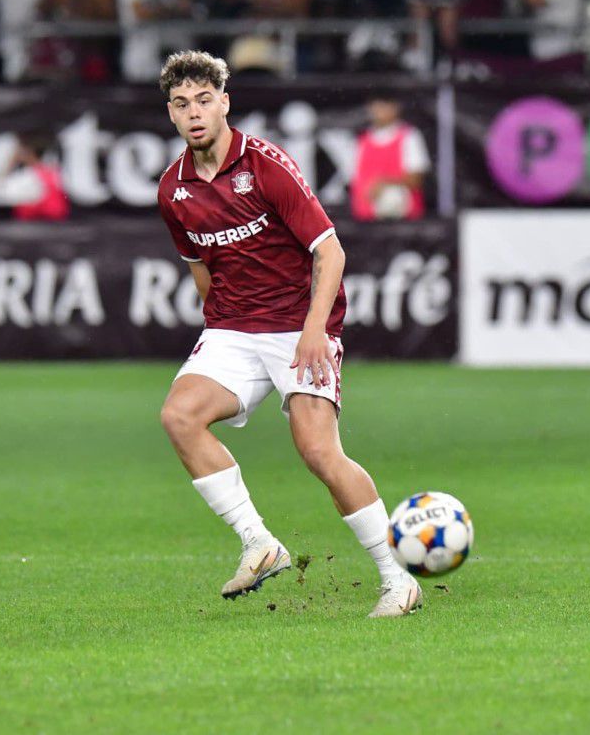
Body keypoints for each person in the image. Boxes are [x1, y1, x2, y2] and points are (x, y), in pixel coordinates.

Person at [154, 51, 421, 618]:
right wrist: (218, 327)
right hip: (234, 327)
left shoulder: (266, 165)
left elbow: (331, 251)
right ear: (171, 114)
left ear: (225, 104)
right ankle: (259, 543)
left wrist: (315, 330)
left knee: (319, 451)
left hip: (300, 325)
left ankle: (397, 577)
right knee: (179, 416)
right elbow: (201, 270)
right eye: (181, 104)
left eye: (204, 100)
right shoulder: (173, 190)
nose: (194, 112)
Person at [350, 96, 430, 221]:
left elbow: (416, 180)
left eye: (385, 105)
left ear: (396, 108)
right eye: (377, 105)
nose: (380, 110)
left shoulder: (409, 136)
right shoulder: (361, 141)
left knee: (391, 196)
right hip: (366, 223)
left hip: (404, 222)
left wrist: (385, 183)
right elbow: (354, 183)